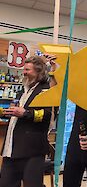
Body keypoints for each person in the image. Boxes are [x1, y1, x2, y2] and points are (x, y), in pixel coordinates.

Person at [0, 55, 57, 187]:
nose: (24, 72)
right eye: (24, 69)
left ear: (38, 72)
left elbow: (47, 115)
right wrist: (9, 112)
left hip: (33, 151)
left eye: (27, 70)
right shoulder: (23, 90)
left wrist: (25, 113)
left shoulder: (45, 90)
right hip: (11, 149)